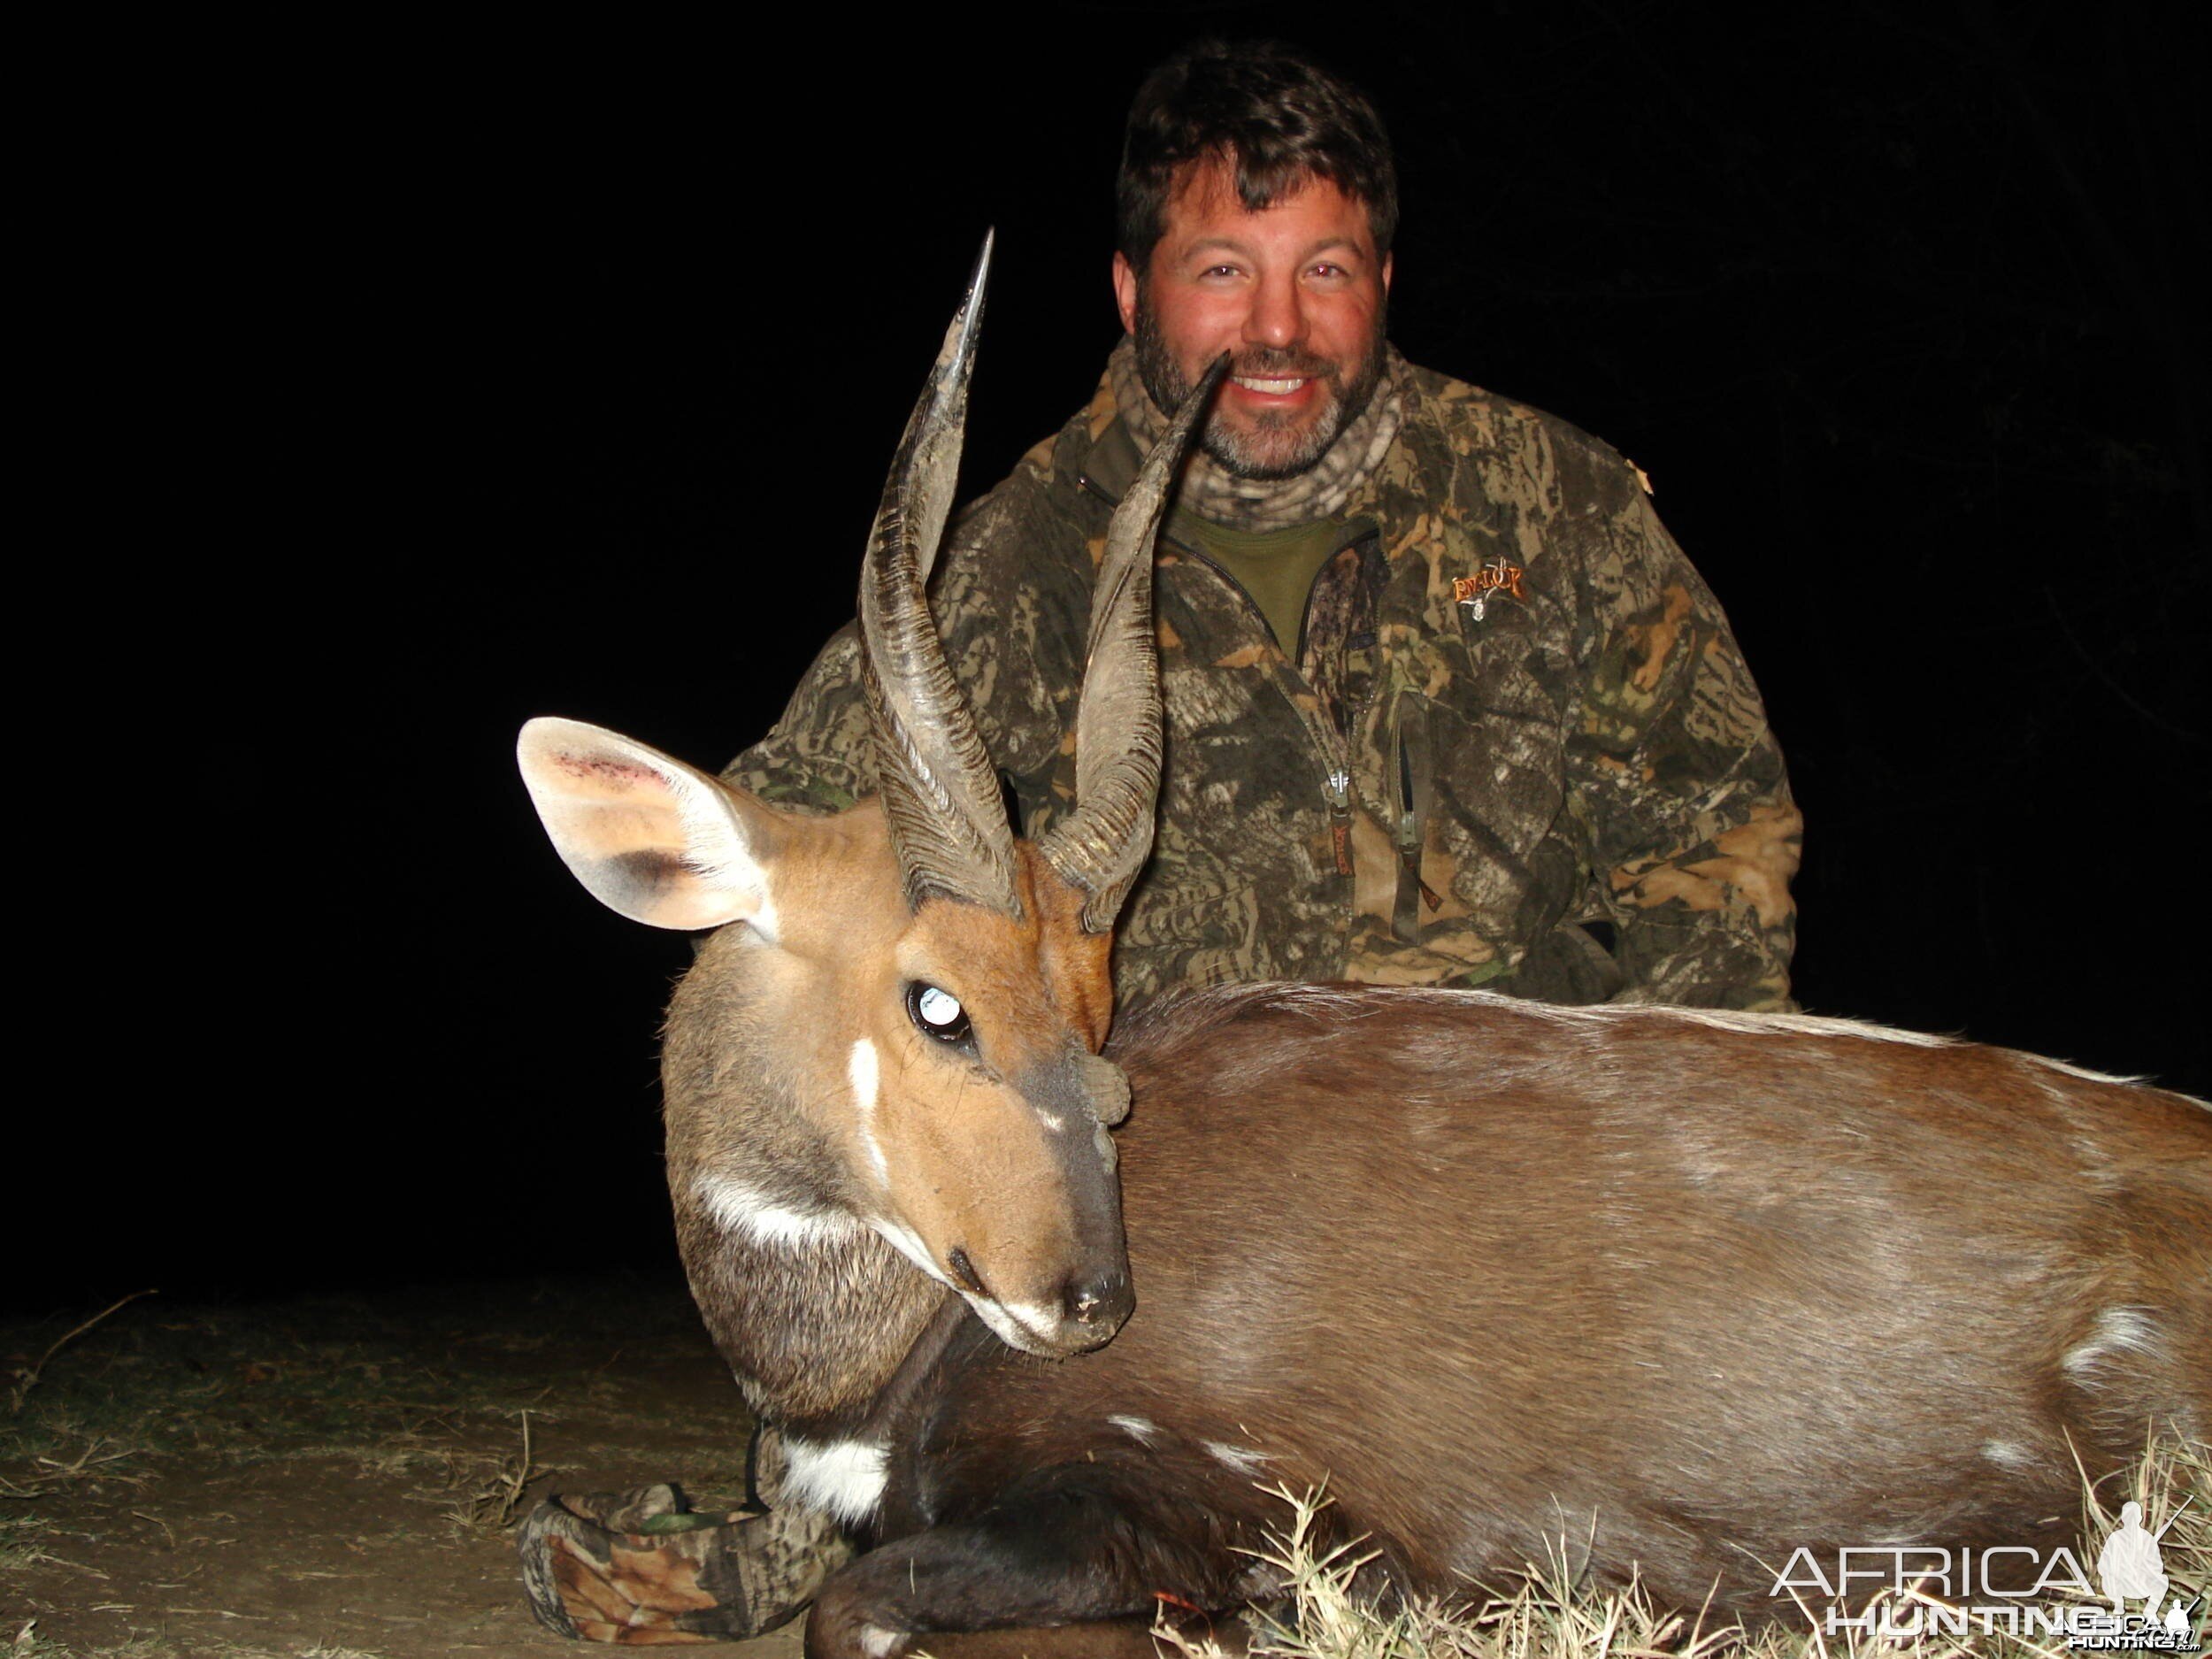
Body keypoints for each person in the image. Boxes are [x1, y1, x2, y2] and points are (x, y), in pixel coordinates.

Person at [519, 38, 1802, 1642]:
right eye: (1222, 269)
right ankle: (832, 1493)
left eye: (1323, 268)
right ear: (1132, 292)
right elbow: (809, 897)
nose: (1276, 328)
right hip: (1192, 1226)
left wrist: (1705, 1146)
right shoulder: (1005, 564)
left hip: (1518, 1189)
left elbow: (1719, 827)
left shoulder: (1560, 502)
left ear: (1383, 278)